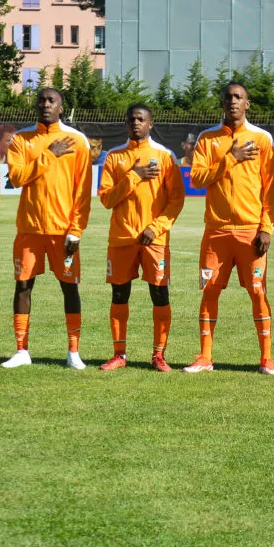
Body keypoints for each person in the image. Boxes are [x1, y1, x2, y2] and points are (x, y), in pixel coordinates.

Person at [185, 82, 274, 374]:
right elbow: (197, 179)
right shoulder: (207, 138)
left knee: (257, 291)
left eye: (238, 97)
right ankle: (205, 357)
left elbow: (270, 189)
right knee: (210, 290)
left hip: (251, 230)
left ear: (247, 104)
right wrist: (230, 158)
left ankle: (266, 358)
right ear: (222, 102)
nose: (233, 101)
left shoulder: (262, 139)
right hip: (216, 231)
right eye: (228, 97)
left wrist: (266, 228)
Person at [2, 87, 93, 369]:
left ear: (61, 108)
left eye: (51, 100)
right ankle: (21, 351)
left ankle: (73, 352)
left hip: (62, 230)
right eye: (41, 100)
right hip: (29, 229)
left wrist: (76, 230)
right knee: (23, 285)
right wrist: (48, 155)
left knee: (70, 287)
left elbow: (83, 190)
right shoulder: (21, 139)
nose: (45, 104)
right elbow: (16, 178)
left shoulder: (77, 141)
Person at [97, 104, 185, 372]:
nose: (135, 123)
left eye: (141, 119)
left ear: (150, 123)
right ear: (126, 124)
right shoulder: (114, 157)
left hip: (153, 240)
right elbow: (107, 199)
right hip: (122, 238)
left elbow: (176, 200)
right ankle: (119, 354)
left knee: (159, 293)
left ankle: (158, 355)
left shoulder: (165, 156)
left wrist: (155, 228)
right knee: (119, 295)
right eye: (131, 119)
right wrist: (134, 175)